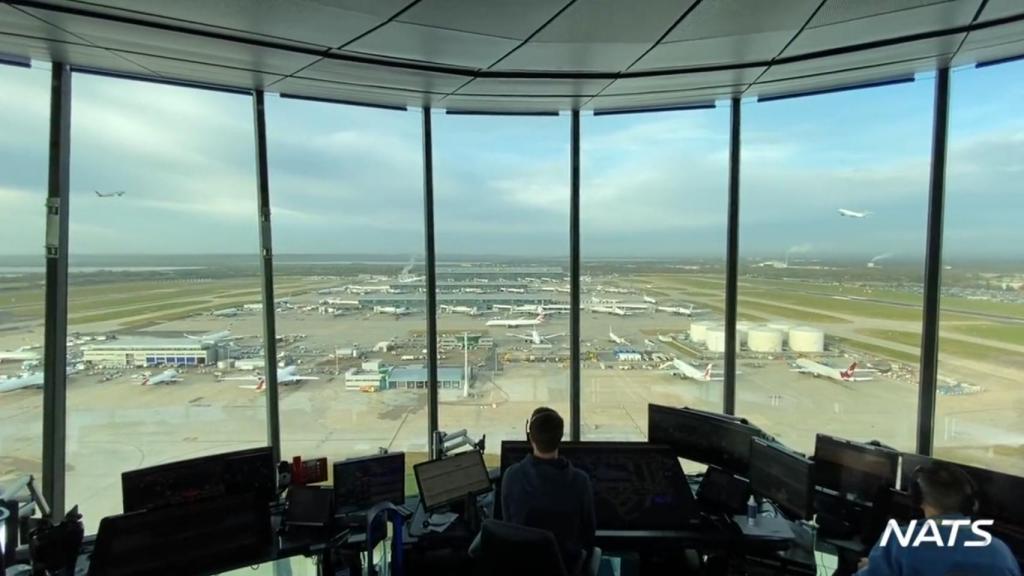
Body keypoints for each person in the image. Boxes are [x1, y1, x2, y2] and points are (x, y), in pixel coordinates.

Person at [856, 462, 1020, 576]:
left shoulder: (899, 542)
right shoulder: (1000, 553)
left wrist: (869, 569)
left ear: (918, 500)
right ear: (972, 503)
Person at [501, 407, 596, 573]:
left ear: (530, 438)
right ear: (559, 438)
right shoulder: (581, 482)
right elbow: (588, 536)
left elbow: (508, 527)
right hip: (566, 568)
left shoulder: (511, 476)